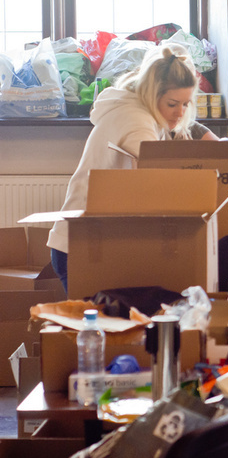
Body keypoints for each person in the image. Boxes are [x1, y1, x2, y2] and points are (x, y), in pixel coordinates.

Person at [48, 43, 200, 291]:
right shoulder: (136, 119)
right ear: (153, 94)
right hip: (82, 245)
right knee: (101, 327)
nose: (180, 113)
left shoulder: (141, 111)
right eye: (173, 104)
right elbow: (161, 176)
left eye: (186, 104)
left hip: (89, 239)